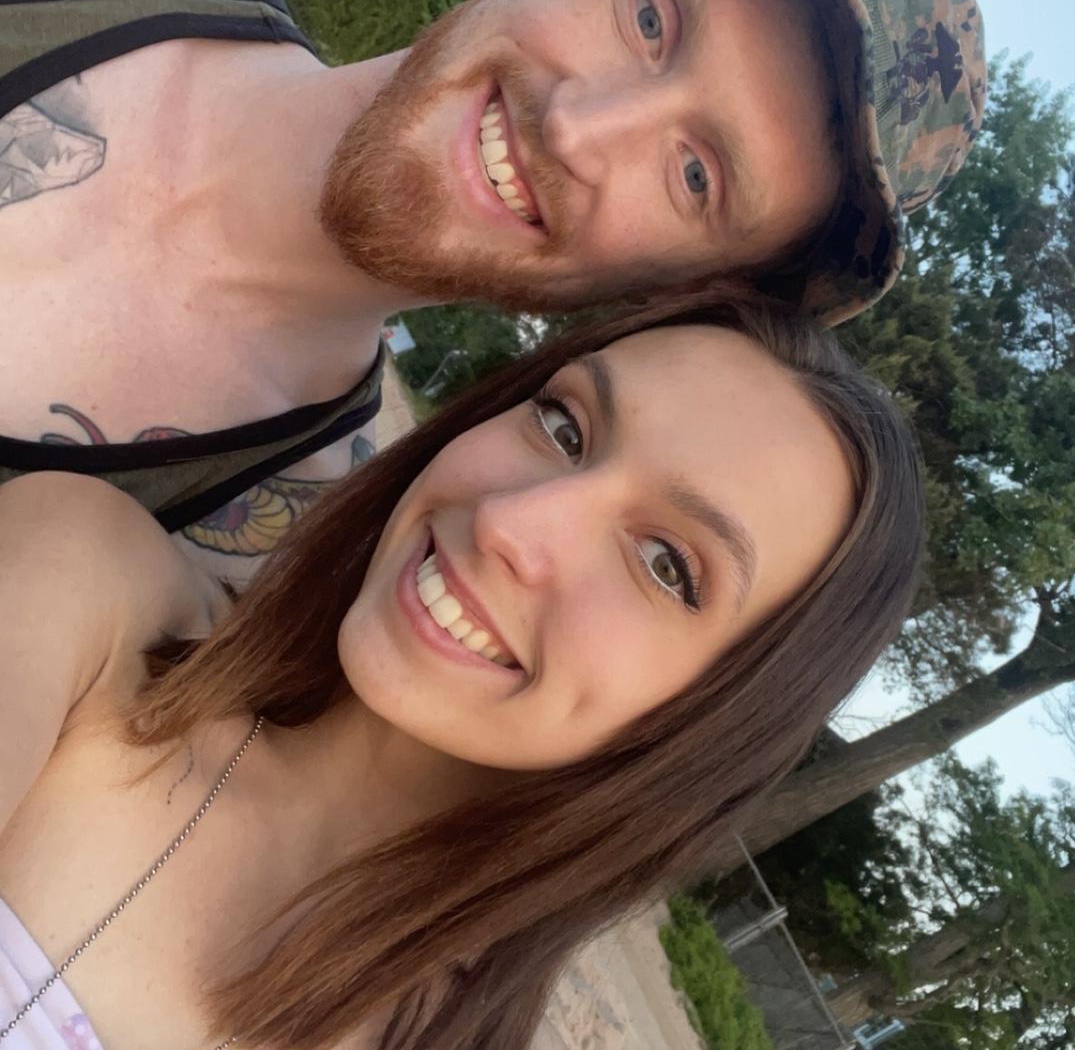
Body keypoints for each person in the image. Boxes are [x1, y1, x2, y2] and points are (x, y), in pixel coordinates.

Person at [0, 295, 925, 1048]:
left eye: (668, 566)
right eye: (565, 427)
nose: (513, 525)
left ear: (719, 722)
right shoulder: (87, 592)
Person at [0, 0, 982, 579]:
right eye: (648, 19)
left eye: (696, 176)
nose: (580, 130)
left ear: (692, 287)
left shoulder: (253, 564)